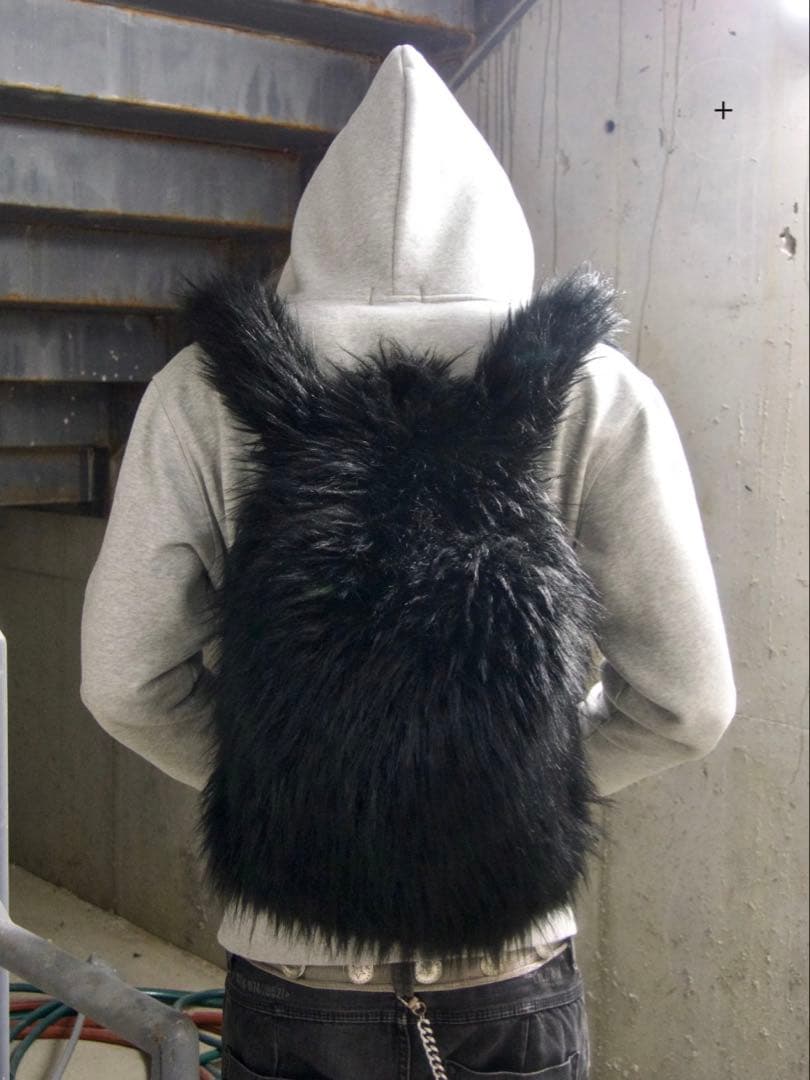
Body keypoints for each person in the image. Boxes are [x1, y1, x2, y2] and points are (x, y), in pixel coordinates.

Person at [80, 43, 736, 1080]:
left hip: (296, 978)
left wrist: (303, 791)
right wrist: (500, 792)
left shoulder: (197, 394)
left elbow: (124, 678)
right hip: (508, 970)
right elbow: (690, 703)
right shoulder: (600, 393)